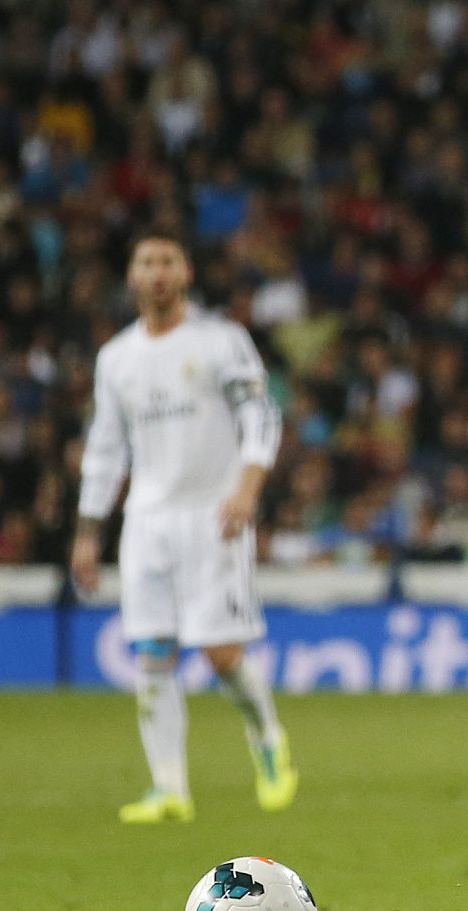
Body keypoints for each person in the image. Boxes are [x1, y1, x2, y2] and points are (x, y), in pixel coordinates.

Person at [72, 232, 298, 823]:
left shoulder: (221, 341)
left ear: (187, 272)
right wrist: (87, 531)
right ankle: (169, 787)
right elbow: (104, 450)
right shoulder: (116, 358)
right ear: (131, 276)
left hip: (213, 513)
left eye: (167, 261)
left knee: (221, 651)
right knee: (151, 652)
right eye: (145, 262)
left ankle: (268, 739)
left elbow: (260, 416)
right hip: (147, 520)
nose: (157, 273)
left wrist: (247, 489)